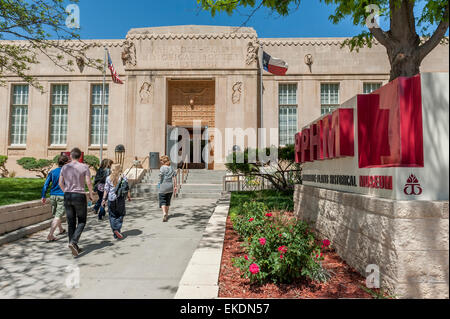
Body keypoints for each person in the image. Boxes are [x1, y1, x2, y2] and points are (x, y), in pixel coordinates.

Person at [59, 148, 94, 257]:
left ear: (70, 156)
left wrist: (66, 191)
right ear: (79, 157)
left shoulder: (64, 167)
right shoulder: (84, 167)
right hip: (79, 195)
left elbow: (60, 182)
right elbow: (88, 182)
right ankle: (74, 242)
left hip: (68, 195)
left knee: (71, 222)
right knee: (82, 221)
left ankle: (72, 244)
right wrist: (91, 194)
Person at [41, 154, 69, 242]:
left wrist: (43, 196)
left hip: (53, 195)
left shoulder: (52, 172)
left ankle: (60, 229)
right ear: (66, 163)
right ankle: (50, 235)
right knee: (58, 216)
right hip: (62, 196)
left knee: (57, 214)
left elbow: (45, 185)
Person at [102, 164, 131, 239]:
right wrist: (128, 196)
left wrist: (104, 199)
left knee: (112, 215)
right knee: (120, 214)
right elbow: (126, 187)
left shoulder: (108, 178)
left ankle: (115, 230)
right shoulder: (123, 177)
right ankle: (117, 229)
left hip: (111, 199)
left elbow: (106, 189)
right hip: (120, 198)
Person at [158, 156, 177, 222]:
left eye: (161, 161)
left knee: (162, 199)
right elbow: (174, 177)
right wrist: (175, 186)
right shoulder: (172, 168)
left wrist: (159, 183)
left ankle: (164, 213)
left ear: (163, 161)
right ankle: (167, 214)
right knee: (168, 200)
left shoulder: (162, 168)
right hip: (170, 186)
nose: (160, 162)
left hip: (163, 185)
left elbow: (160, 176)